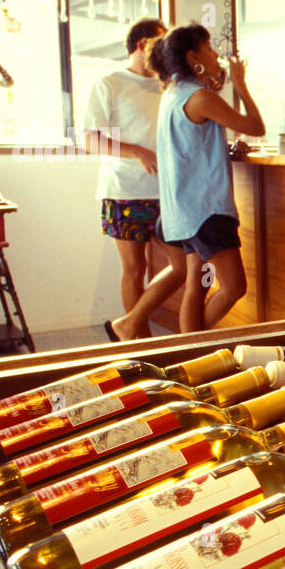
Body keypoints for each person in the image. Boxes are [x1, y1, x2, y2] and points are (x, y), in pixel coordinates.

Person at [144, 24, 265, 333]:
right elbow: (255, 126)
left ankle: (187, 353)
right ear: (192, 56)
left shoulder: (173, 93)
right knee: (233, 287)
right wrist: (240, 84)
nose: (214, 55)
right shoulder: (200, 97)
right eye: (208, 48)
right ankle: (196, 346)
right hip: (208, 212)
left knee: (198, 287)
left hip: (186, 213)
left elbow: (190, 145)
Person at [83, 17, 186, 342]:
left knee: (183, 266)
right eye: (161, 44)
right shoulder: (110, 83)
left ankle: (127, 324)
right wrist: (137, 151)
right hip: (125, 191)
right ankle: (138, 343)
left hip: (167, 192)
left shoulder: (168, 84)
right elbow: (88, 139)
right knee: (134, 268)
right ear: (142, 45)